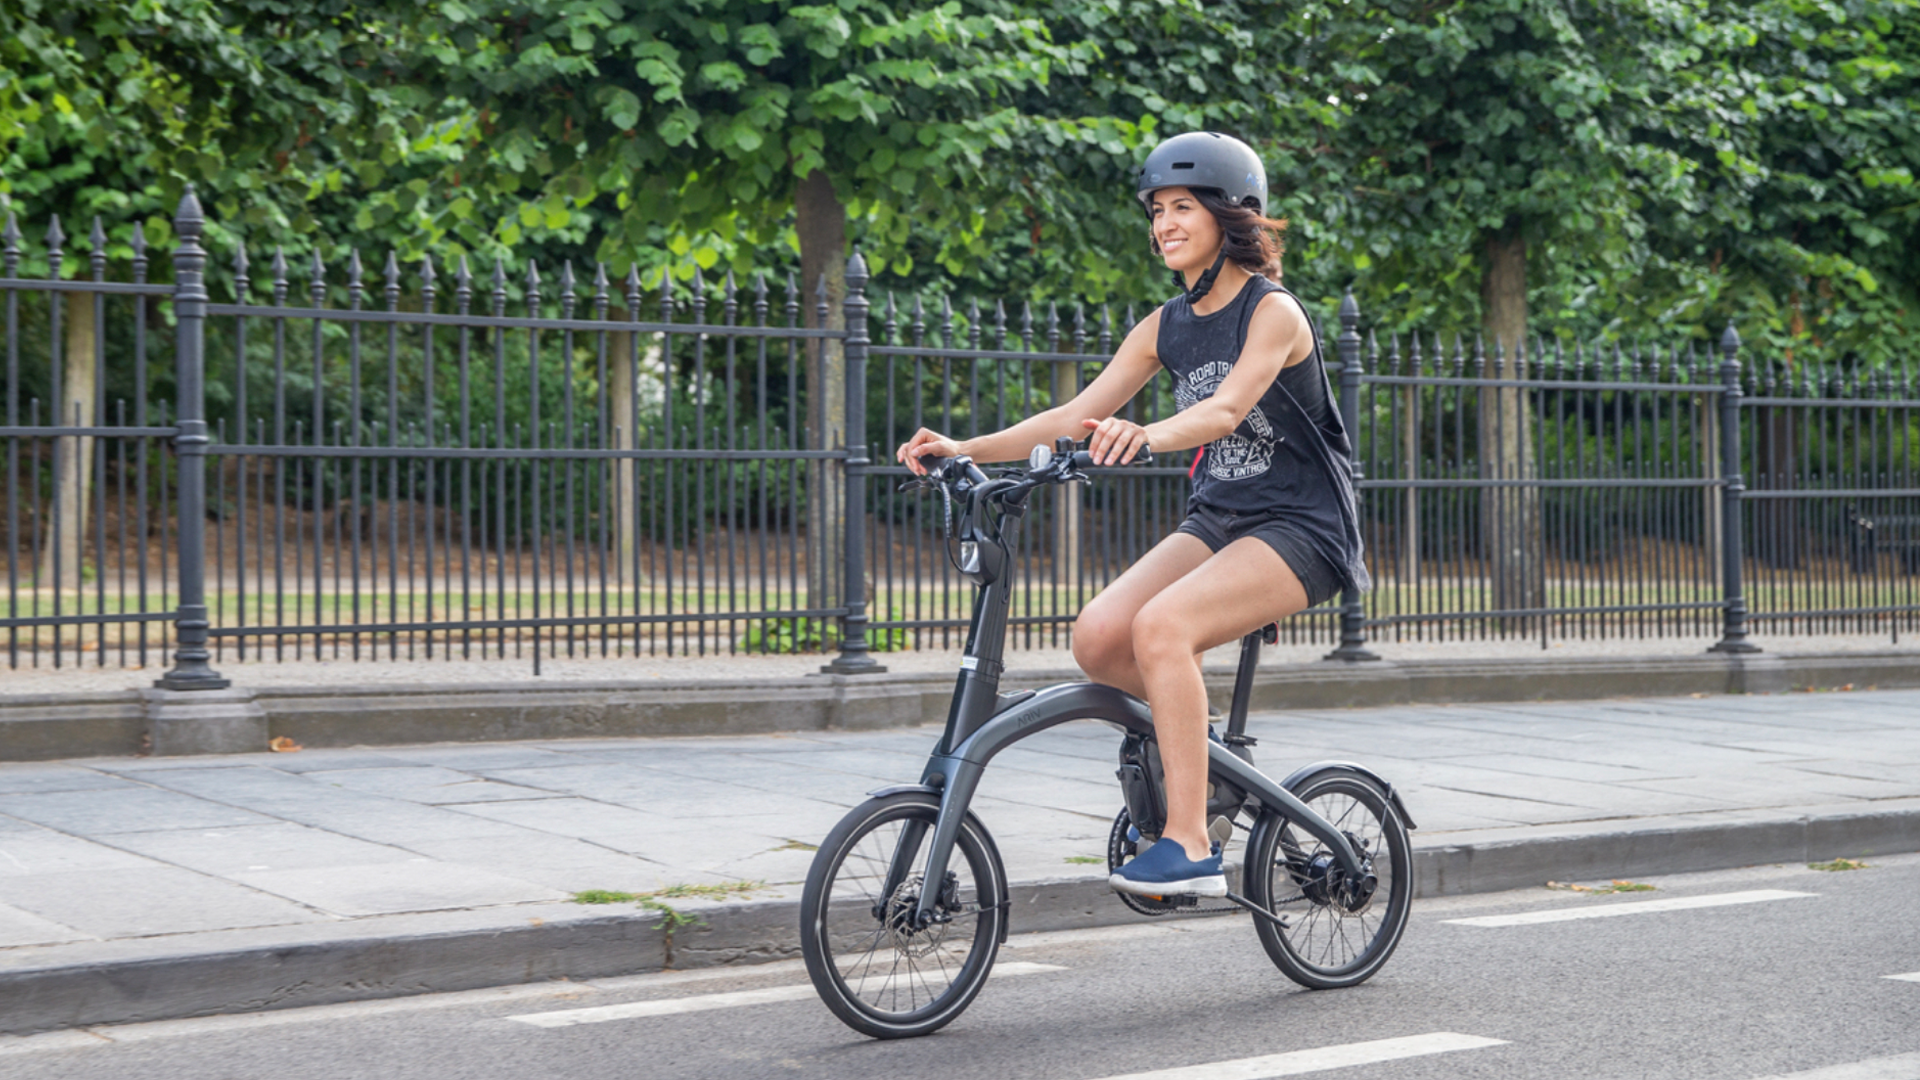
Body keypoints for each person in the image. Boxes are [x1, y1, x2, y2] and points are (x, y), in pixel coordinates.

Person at [895, 131, 1367, 898]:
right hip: (1221, 518)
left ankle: (1190, 843)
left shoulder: (1272, 312)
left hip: (1301, 528)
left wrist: (1146, 435)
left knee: (1162, 628)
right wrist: (962, 447)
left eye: (1183, 207)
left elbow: (1223, 409)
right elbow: (1076, 414)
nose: (1164, 224)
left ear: (1231, 216)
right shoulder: (1165, 324)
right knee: (1100, 636)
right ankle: (1202, 764)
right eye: (1157, 210)